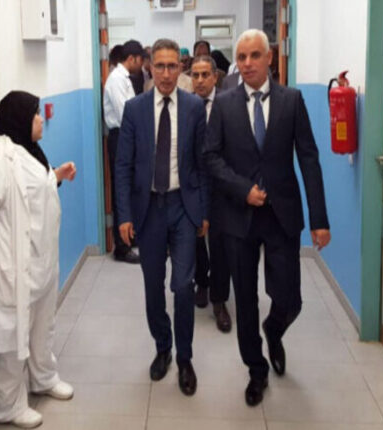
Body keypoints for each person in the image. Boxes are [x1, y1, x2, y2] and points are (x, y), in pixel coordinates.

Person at [203, 29, 330, 407]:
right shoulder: (224, 104)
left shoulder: (292, 101)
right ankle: (256, 370)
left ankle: (274, 330)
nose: (247, 64)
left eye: (254, 55)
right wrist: (242, 189)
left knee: (290, 298)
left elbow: (308, 158)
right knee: (245, 298)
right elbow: (211, 157)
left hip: (281, 214)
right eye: (241, 57)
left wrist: (319, 218)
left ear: (269, 57)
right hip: (238, 216)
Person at [0, 91, 76, 428]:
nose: (40, 119)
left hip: (41, 262)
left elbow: (32, 191)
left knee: (42, 326)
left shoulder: (30, 151)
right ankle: (7, 406)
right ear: (20, 118)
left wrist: (56, 176)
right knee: (10, 337)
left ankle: (43, 377)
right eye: (35, 114)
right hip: (11, 266)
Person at [115, 38, 209, 397]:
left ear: (180, 68)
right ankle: (163, 347)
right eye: (160, 66)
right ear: (149, 67)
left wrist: (203, 211)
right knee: (153, 285)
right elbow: (123, 166)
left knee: (183, 286)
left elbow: (202, 164)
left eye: (173, 66)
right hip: (148, 209)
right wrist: (124, 214)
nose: (167, 74)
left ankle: (185, 357)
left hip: (183, 207)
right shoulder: (134, 109)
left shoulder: (194, 107)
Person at [189, 55, 231, 333]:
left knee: (220, 244)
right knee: (195, 240)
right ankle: (201, 282)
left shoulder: (228, 104)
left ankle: (219, 300)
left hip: (221, 185)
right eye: (195, 75)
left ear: (215, 77)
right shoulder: (185, 105)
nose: (201, 80)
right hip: (192, 184)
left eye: (206, 75)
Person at [103, 40, 143, 264]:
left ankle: (130, 236)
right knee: (121, 188)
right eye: (140, 60)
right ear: (131, 59)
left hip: (128, 136)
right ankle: (121, 247)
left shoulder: (125, 78)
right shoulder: (117, 80)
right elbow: (124, 114)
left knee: (130, 188)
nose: (141, 65)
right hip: (120, 138)